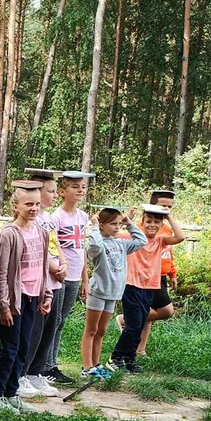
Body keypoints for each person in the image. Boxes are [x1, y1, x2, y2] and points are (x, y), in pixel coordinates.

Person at [0, 181, 52, 415]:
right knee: (10, 348)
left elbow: (44, 267)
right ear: (15, 206)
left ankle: (12, 392)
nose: (33, 208)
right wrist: (3, 306)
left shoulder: (42, 232)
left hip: (33, 298)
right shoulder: (9, 235)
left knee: (24, 347)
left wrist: (46, 295)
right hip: (14, 301)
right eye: (28, 204)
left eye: (36, 204)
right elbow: (1, 273)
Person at [110, 203, 185, 372]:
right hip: (131, 286)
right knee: (133, 326)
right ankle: (115, 357)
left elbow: (180, 237)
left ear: (161, 225)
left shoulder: (160, 241)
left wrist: (169, 217)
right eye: (148, 221)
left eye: (156, 222)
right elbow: (112, 235)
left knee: (139, 325)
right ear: (142, 223)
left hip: (150, 287)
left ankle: (130, 360)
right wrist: (124, 221)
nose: (152, 224)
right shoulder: (133, 238)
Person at [81, 206, 147, 379]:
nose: (117, 227)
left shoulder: (121, 243)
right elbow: (94, 245)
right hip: (98, 291)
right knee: (91, 329)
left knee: (102, 330)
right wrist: (94, 226)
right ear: (102, 225)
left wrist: (129, 223)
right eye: (113, 224)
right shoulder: (97, 243)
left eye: (119, 224)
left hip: (113, 293)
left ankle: (96, 364)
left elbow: (141, 241)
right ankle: (87, 367)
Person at [43, 171, 95, 385]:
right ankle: (47, 365)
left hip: (75, 274)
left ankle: (52, 363)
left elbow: (81, 248)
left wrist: (85, 279)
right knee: (53, 320)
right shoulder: (56, 217)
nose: (80, 190)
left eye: (83, 186)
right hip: (59, 274)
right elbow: (53, 247)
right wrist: (58, 269)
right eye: (75, 187)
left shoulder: (82, 217)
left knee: (62, 320)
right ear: (63, 192)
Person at [20, 168, 66, 398]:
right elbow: (39, 251)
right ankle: (23, 373)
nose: (55, 195)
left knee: (49, 329)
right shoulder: (31, 220)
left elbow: (56, 245)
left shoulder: (50, 219)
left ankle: (36, 373)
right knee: (34, 331)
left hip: (55, 283)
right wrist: (53, 268)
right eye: (51, 191)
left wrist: (63, 265)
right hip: (38, 283)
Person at [130, 189, 181, 356]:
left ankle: (140, 349)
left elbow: (168, 253)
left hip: (162, 275)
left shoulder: (165, 229)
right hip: (148, 277)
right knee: (166, 311)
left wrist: (172, 273)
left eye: (169, 207)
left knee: (149, 318)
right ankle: (126, 320)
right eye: (163, 206)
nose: (166, 210)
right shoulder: (142, 229)